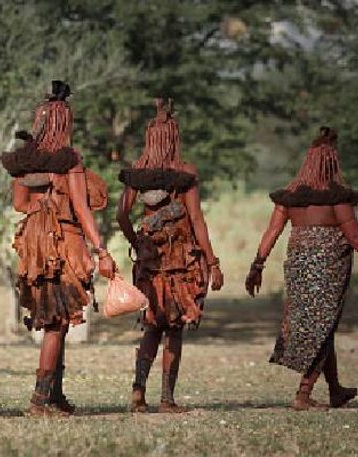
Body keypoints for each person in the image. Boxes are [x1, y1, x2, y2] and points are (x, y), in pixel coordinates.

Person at [245, 126, 358, 410]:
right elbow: (355, 237)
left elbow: (271, 232)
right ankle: (303, 394)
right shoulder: (336, 197)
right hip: (328, 270)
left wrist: (257, 266)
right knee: (323, 328)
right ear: (332, 164)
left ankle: (336, 389)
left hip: (298, 268)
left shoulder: (290, 198)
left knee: (321, 326)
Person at [0, 80, 116, 416]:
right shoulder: (69, 160)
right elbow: (81, 208)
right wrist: (101, 250)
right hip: (63, 241)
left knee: (57, 319)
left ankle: (55, 395)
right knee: (56, 321)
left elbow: (20, 205)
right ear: (65, 124)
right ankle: (39, 401)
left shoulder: (24, 163)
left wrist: (42, 208)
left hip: (34, 243)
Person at [116, 98, 224, 413]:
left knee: (152, 324)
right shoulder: (185, 172)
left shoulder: (138, 172)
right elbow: (197, 220)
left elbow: (122, 215)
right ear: (174, 138)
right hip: (181, 259)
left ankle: (138, 393)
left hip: (151, 258)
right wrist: (213, 262)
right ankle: (167, 399)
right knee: (173, 327)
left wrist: (137, 243)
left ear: (150, 138)